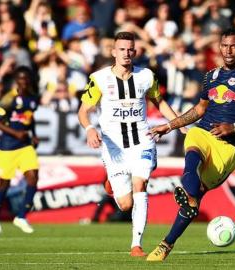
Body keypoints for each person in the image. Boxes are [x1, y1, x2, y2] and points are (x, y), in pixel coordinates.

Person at [146, 28, 235, 261]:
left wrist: (233, 127)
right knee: (192, 151)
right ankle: (189, 196)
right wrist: (170, 125)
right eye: (224, 45)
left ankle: (167, 243)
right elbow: (200, 110)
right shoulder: (211, 75)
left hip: (229, 147)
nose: (228, 50)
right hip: (204, 131)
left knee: (194, 199)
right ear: (219, 47)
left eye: (233, 45)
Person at [77, 31, 182, 257]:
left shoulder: (146, 76)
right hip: (114, 146)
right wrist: (89, 128)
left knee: (140, 185)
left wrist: (177, 123)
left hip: (142, 141)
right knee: (125, 204)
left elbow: (159, 102)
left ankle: (136, 244)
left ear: (135, 51)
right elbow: (84, 110)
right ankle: (112, 184)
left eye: (130, 49)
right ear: (114, 52)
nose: (126, 53)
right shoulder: (99, 79)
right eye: (122, 49)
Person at [0, 66, 40, 235]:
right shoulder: (9, 98)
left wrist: (34, 135)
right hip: (7, 147)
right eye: (20, 79)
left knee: (33, 177)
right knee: (4, 183)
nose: (23, 82)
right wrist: (15, 132)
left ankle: (21, 216)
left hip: (25, 146)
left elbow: (29, 120)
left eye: (26, 79)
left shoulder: (33, 99)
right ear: (16, 80)